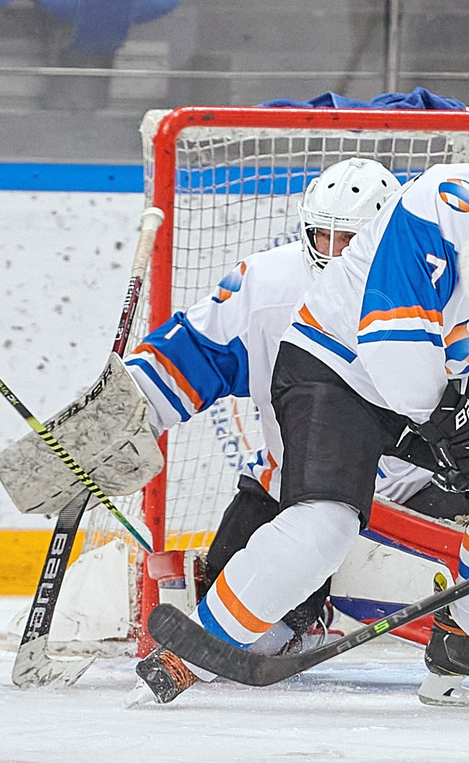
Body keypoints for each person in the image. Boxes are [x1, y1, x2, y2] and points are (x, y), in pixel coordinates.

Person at [133, 97, 469, 708]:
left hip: (433, 390)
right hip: (336, 371)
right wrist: (446, 418)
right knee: (326, 525)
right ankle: (191, 651)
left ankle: (467, 643)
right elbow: (393, 332)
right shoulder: (446, 203)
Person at [123, 159, 402, 649]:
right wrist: (121, 409)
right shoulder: (269, 281)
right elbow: (196, 353)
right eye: (322, 236)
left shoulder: (432, 281)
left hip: (409, 494)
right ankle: (304, 617)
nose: (332, 252)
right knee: (246, 632)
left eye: (349, 240)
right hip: (293, 484)